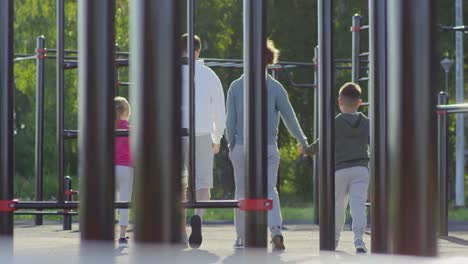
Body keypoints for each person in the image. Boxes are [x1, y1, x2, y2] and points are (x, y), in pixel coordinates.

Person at [225, 39, 308, 251]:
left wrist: (231, 145)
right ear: (269, 60)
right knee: (269, 190)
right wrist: (303, 141)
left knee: (241, 191)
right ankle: (276, 231)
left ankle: (242, 237)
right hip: (268, 147)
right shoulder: (275, 87)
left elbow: (230, 122)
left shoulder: (236, 86)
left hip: (242, 147)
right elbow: (290, 118)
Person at [304, 82, 370, 253]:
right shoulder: (367, 123)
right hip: (361, 169)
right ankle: (359, 240)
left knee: (338, 206)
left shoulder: (334, 122)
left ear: (339, 101)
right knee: (358, 205)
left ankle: (334, 240)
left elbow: (321, 143)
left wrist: (308, 150)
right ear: (359, 102)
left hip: (339, 170)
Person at [180, 33, 226, 248]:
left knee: (178, 182)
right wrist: (217, 138)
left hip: (178, 134)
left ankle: (180, 230)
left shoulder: (172, 74)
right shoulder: (209, 75)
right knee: (203, 182)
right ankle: (197, 216)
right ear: (198, 51)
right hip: (203, 133)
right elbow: (219, 109)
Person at [114, 96, 134, 249]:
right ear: (127, 112)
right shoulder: (131, 130)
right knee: (124, 201)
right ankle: (121, 236)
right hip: (126, 168)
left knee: (110, 200)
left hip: (110, 168)